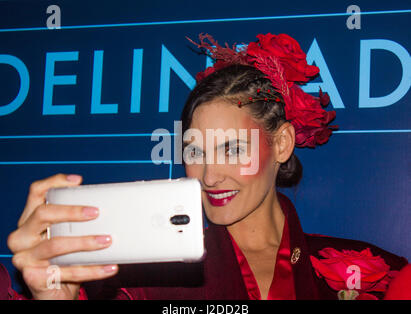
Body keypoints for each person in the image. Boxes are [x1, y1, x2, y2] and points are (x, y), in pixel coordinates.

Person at [1, 33, 408, 300]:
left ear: (281, 143)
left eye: (232, 149)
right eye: (195, 151)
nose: (210, 177)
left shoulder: (368, 272)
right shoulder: (137, 277)